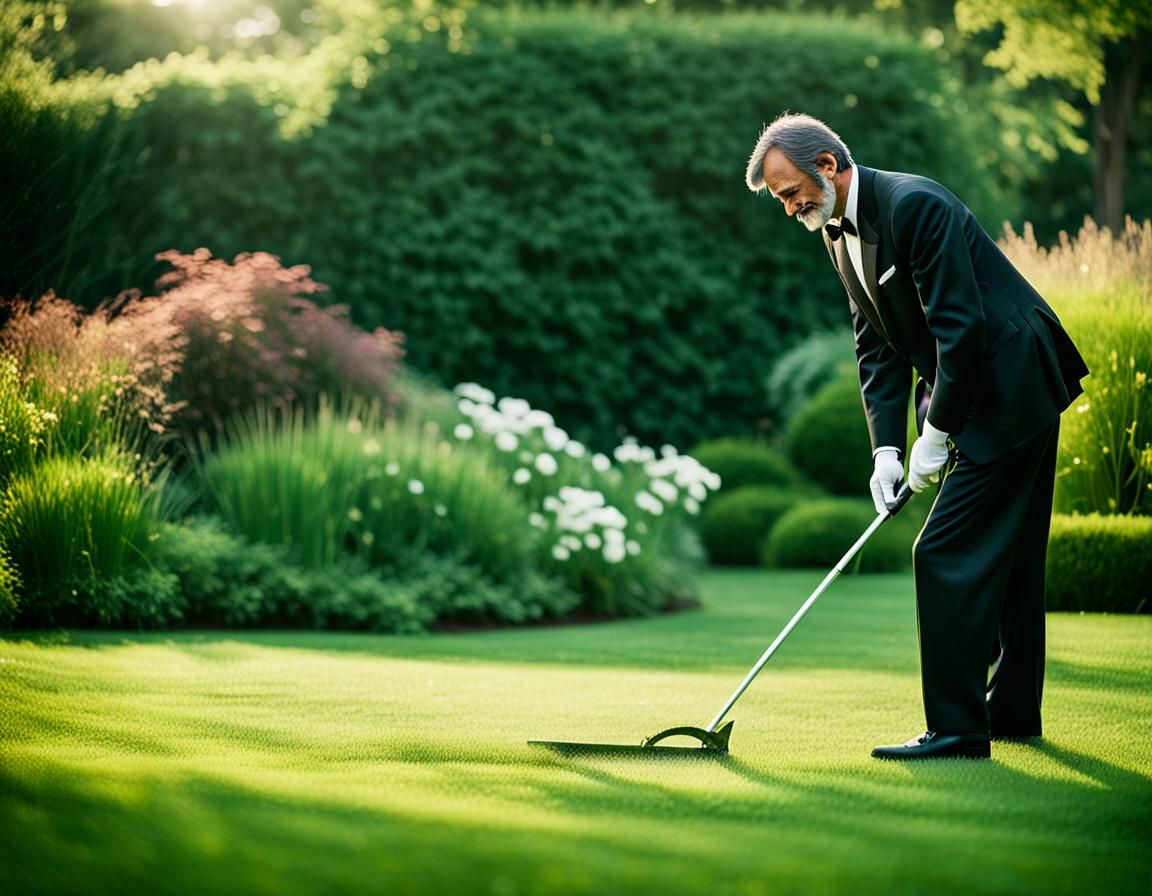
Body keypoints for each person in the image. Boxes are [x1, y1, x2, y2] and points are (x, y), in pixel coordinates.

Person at [744, 113, 1089, 760]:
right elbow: (875, 344)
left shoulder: (915, 204)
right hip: (993, 389)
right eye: (782, 200)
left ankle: (957, 730)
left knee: (943, 553)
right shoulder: (835, 231)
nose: (789, 208)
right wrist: (886, 449)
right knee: (1011, 560)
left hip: (1013, 382)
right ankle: (1011, 713)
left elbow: (959, 330)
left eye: (791, 191)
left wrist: (935, 434)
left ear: (826, 164)